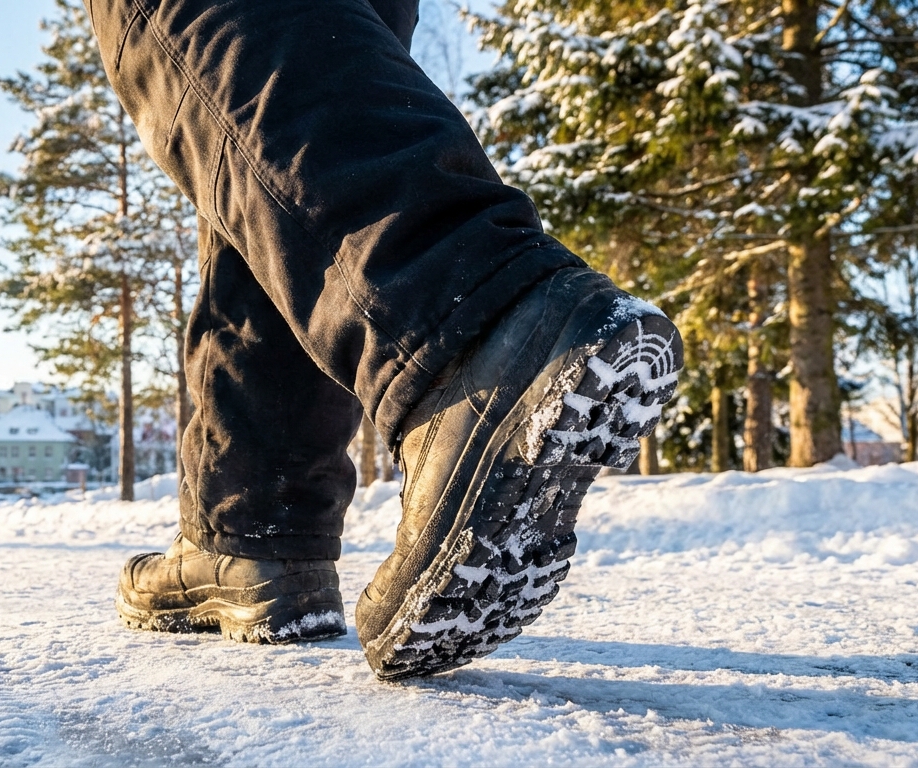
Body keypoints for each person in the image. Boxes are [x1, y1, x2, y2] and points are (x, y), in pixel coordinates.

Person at [87, 0, 683, 681]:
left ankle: (465, 333)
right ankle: (256, 522)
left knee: (185, 23)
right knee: (254, 154)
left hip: (453, 313)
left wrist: (453, 310)